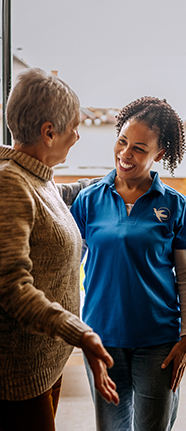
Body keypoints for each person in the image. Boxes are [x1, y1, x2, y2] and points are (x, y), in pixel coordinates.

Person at [0, 68, 119, 431]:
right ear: (49, 132)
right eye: (73, 126)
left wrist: (119, 177)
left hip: (45, 360)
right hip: (20, 374)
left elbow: (59, 197)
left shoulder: (37, 176)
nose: (78, 135)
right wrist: (80, 333)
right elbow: (11, 287)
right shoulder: (10, 185)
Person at [71, 96, 186, 431]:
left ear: (159, 154)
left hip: (159, 341)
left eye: (138, 148)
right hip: (101, 337)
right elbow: (70, 266)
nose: (125, 154)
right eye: (121, 141)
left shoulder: (175, 206)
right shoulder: (89, 200)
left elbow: (184, 277)